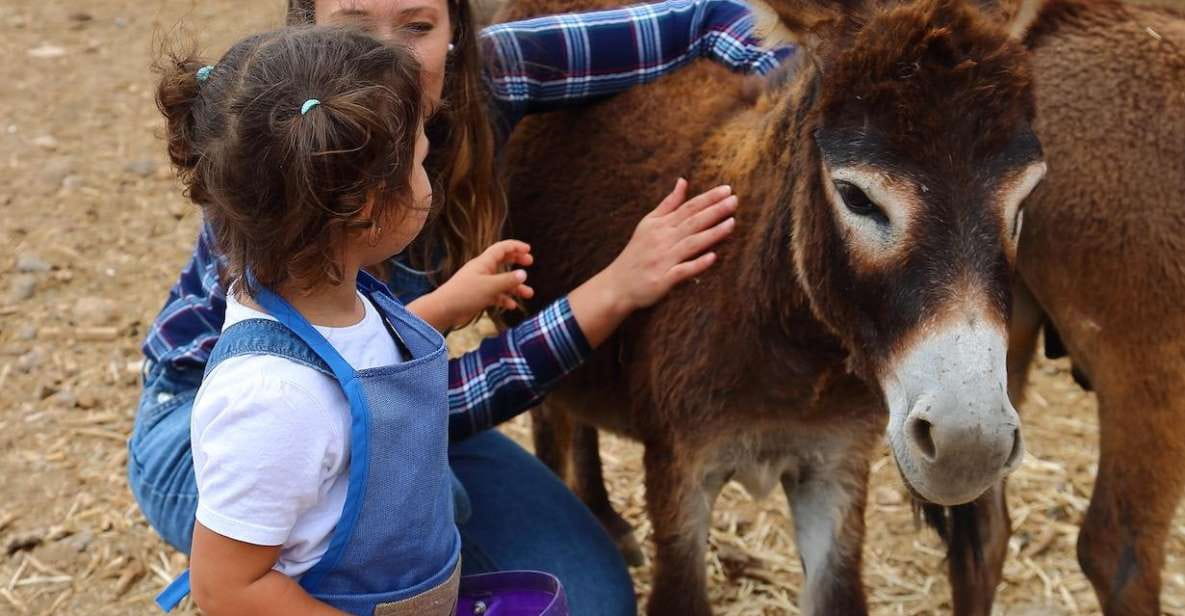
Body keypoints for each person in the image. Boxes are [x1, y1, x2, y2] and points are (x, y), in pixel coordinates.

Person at [129, 1, 792, 613]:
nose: (398, 57)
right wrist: (610, 292)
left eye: (419, 26)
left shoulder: (324, 274)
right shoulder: (274, 397)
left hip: (351, 417)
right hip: (213, 439)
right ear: (365, 204)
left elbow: (359, 364)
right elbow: (236, 573)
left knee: (583, 596)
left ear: (455, 32)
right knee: (420, 504)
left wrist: (446, 304)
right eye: (420, 165)